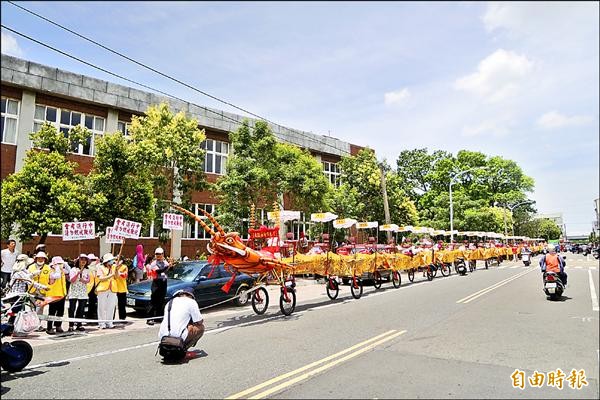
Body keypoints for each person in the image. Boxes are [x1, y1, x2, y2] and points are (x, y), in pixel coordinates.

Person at [146, 247, 170, 325]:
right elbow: (158, 271)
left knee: (161, 300)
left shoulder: (165, 262)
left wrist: (171, 265)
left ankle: (158, 317)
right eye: (157, 254)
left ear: (163, 254)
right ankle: (150, 318)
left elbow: (169, 270)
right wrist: (168, 266)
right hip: (156, 282)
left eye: (160, 254)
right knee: (153, 300)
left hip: (163, 282)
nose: (158, 255)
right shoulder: (153, 263)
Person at [44, 256, 68, 334]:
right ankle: (49, 327)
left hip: (62, 294)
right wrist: (57, 267)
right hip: (53, 295)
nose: (60, 265)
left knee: (60, 311)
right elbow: (57, 276)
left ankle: (58, 326)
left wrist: (65, 265)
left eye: (61, 263)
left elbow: (69, 271)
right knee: (52, 312)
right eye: (59, 263)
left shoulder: (62, 271)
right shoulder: (51, 271)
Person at [67, 254, 91, 332]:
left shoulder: (87, 270)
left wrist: (84, 280)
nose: (83, 261)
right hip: (74, 291)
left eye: (85, 260)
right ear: (78, 261)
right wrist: (78, 273)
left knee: (81, 309)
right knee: (72, 308)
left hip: (83, 291)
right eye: (82, 259)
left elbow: (88, 280)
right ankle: (71, 325)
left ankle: (79, 324)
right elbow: (72, 280)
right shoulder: (73, 269)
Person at [96, 253, 118, 329]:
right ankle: (101, 323)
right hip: (103, 288)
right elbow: (101, 278)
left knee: (111, 306)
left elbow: (116, 277)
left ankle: (109, 322)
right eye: (110, 260)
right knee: (101, 306)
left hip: (112, 288)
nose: (112, 262)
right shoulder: (100, 267)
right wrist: (110, 275)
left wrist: (116, 269)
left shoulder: (114, 267)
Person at [114, 256, 129, 321]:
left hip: (122, 288)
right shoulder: (113, 266)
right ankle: (111, 319)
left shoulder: (124, 267)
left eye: (118, 259)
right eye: (116, 259)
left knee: (122, 304)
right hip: (114, 288)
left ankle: (122, 318)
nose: (117, 261)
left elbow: (124, 276)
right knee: (112, 305)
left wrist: (118, 272)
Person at [86, 253, 100, 322]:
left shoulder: (97, 268)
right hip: (87, 288)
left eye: (94, 260)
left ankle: (92, 315)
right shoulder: (87, 268)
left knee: (93, 302)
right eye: (91, 260)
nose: (93, 261)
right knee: (84, 303)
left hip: (95, 288)